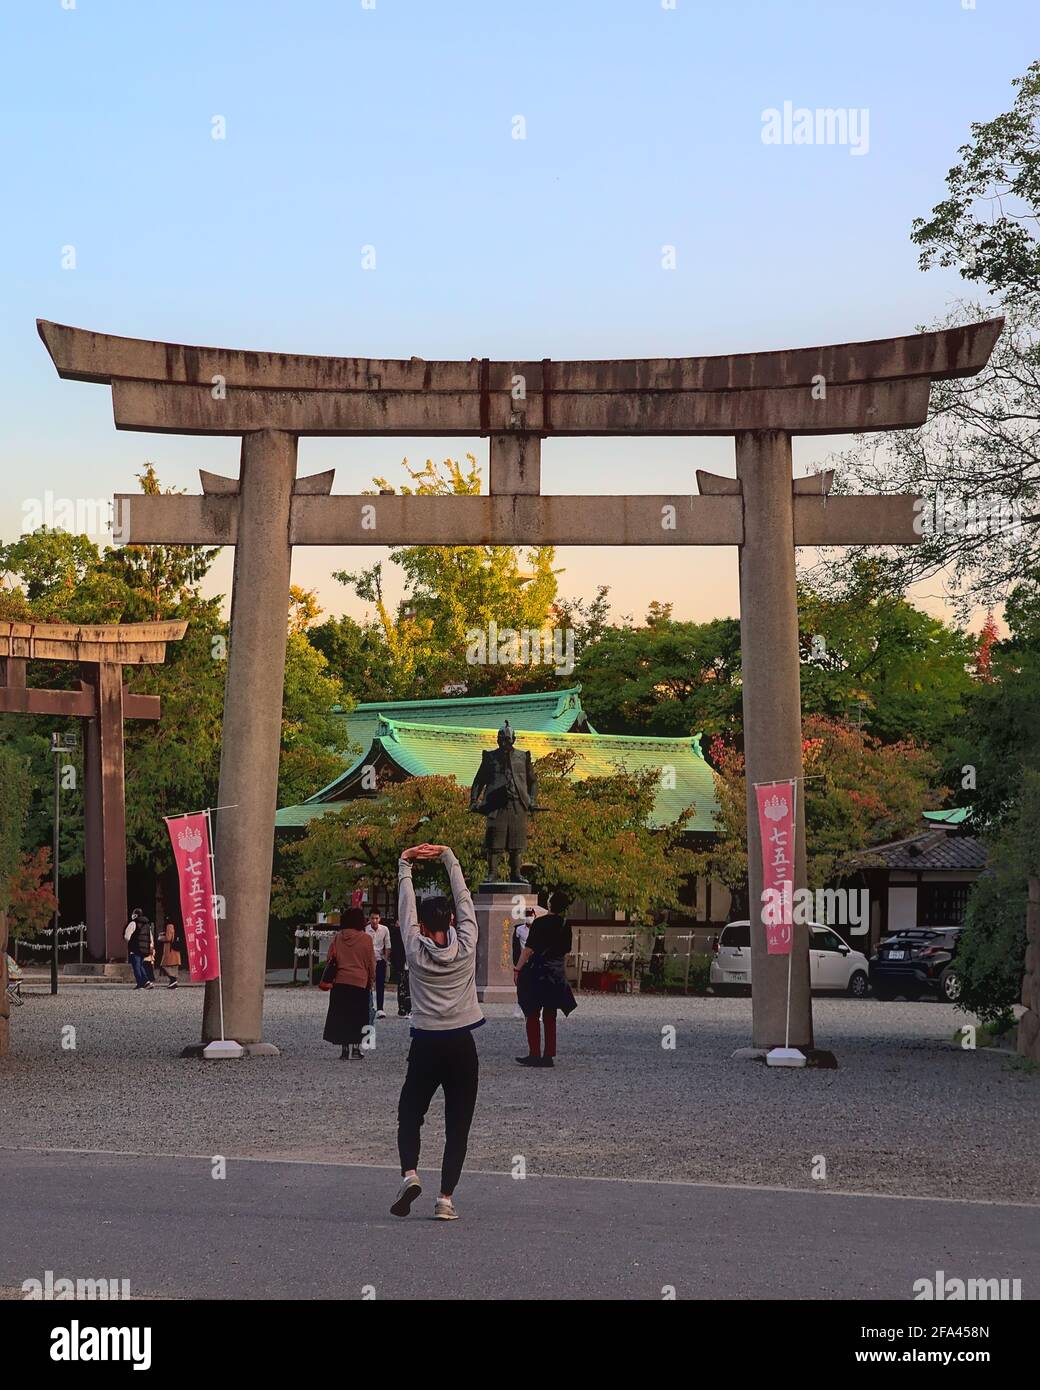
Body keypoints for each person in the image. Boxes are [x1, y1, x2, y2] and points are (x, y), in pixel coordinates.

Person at [391, 843, 482, 1222]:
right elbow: (464, 899)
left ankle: (411, 1173)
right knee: (457, 1123)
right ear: (451, 922)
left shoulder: (415, 948)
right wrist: (448, 856)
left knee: (410, 1112)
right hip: (462, 1041)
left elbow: (405, 912)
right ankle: (446, 1198)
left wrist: (405, 865)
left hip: (426, 1040)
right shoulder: (467, 944)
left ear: (424, 927)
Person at [515, 891, 577, 1068]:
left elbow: (528, 949)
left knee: (532, 1012)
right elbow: (566, 948)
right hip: (556, 973)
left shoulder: (540, 923)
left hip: (537, 972)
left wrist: (517, 968)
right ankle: (548, 1055)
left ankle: (534, 1053)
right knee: (550, 1014)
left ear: (550, 904)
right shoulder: (566, 925)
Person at [322, 907, 376, 1060]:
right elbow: (371, 963)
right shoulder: (366, 939)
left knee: (342, 1016)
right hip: (359, 982)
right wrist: (371, 980)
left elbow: (330, 957)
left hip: (340, 981)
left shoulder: (338, 938)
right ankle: (356, 1049)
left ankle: (344, 1049)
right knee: (359, 1017)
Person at [511, 905, 544, 1019]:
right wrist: (517, 963)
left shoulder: (539, 928)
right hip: (523, 961)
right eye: (527, 915)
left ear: (534, 916)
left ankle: (538, 1012)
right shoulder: (519, 929)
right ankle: (519, 1008)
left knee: (537, 986)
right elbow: (515, 947)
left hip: (536, 961)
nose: (529, 917)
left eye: (530, 915)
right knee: (522, 986)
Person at [366, 910, 392, 1019]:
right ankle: (368, 1006)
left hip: (380, 959)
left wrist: (385, 959)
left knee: (380, 984)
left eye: (376, 918)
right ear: (369, 918)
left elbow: (388, 945)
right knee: (367, 984)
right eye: (372, 918)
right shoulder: (366, 930)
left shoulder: (384, 929)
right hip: (368, 960)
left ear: (379, 919)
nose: (374, 921)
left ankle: (380, 1008)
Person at [123, 909, 154, 990]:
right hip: (144, 948)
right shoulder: (147, 925)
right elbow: (150, 937)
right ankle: (146, 982)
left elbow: (127, 936)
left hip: (135, 948)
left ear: (135, 915)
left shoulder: (133, 923)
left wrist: (131, 943)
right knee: (140, 965)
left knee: (136, 966)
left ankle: (141, 983)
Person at [388, 918, 411, 1019]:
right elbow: (394, 950)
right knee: (401, 986)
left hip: (410, 962)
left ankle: (409, 1009)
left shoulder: (412, 932)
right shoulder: (396, 934)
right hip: (401, 962)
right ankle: (402, 1008)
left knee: (410, 987)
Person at [155, 920, 181, 989]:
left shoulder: (169, 926)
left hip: (170, 950)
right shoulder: (177, 926)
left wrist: (161, 938)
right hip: (176, 950)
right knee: (174, 968)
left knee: (164, 965)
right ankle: (173, 982)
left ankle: (173, 980)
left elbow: (168, 938)